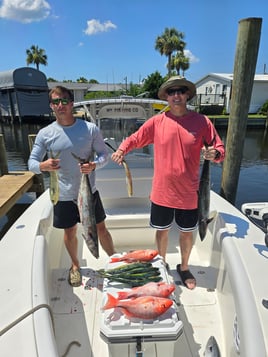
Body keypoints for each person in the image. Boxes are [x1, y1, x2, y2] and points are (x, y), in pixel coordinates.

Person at [111, 76, 225, 290]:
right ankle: (162, 265)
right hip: (162, 191)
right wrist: (121, 149)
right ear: (166, 97)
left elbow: (219, 149)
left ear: (187, 95)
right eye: (171, 92)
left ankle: (184, 267)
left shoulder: (202, 122)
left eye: (181, 91)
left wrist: (214, 153)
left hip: (190, 193)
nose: (176, 95)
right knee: (162, 231)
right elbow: (135, 138)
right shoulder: (157, 121)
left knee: (186, 232)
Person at [28, 85, 115, 287]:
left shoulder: (90, 129)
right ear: (51, 106)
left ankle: (114, 260)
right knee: (69, 232)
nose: (61, 105)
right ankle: (75, 266)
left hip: (88, 192)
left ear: (71, 103)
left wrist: (94, 165)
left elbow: (104, 155)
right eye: (56, 102)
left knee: (101, 228)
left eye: (64, 101)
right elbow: (32, 163)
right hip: (63, 194)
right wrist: (43, 165)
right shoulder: (45, 133)